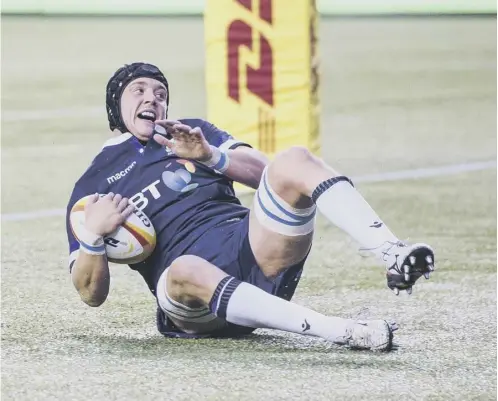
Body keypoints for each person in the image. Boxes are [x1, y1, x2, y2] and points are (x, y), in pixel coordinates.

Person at [66, 62, 435, 351]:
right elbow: (89, 294)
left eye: (160, 92)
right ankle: (343, 331)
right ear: (116, 105)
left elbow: (267, 173)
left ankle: (392, 253)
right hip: (190, 299)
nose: (152, 98)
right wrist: (93, 239)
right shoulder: (92, 188)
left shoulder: (190, 131)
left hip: (252, 247)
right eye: (139, 90)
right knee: (185, 268)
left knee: (295, 159)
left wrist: (210, 155)